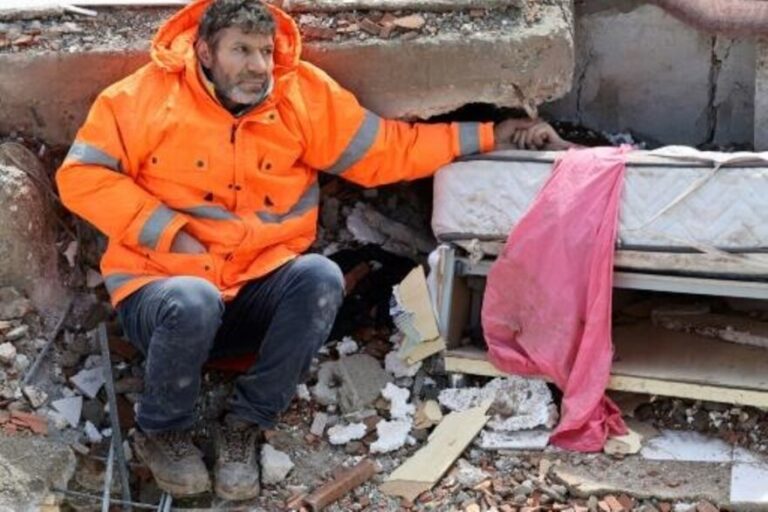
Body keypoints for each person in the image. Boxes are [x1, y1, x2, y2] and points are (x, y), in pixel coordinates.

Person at [56, 0, 570, 500]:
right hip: (166, 300)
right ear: (205, 52)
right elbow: (80, 176)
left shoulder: (301, 95)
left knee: (321, 277)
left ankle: (245, 425)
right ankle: (163, 431)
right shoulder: (141, 97)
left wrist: (492, 135)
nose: (259, 66)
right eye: (241, 50)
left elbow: (388, 150)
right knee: (194, 300)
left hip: (252, 294)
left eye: (265, 50)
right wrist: (167, 231)